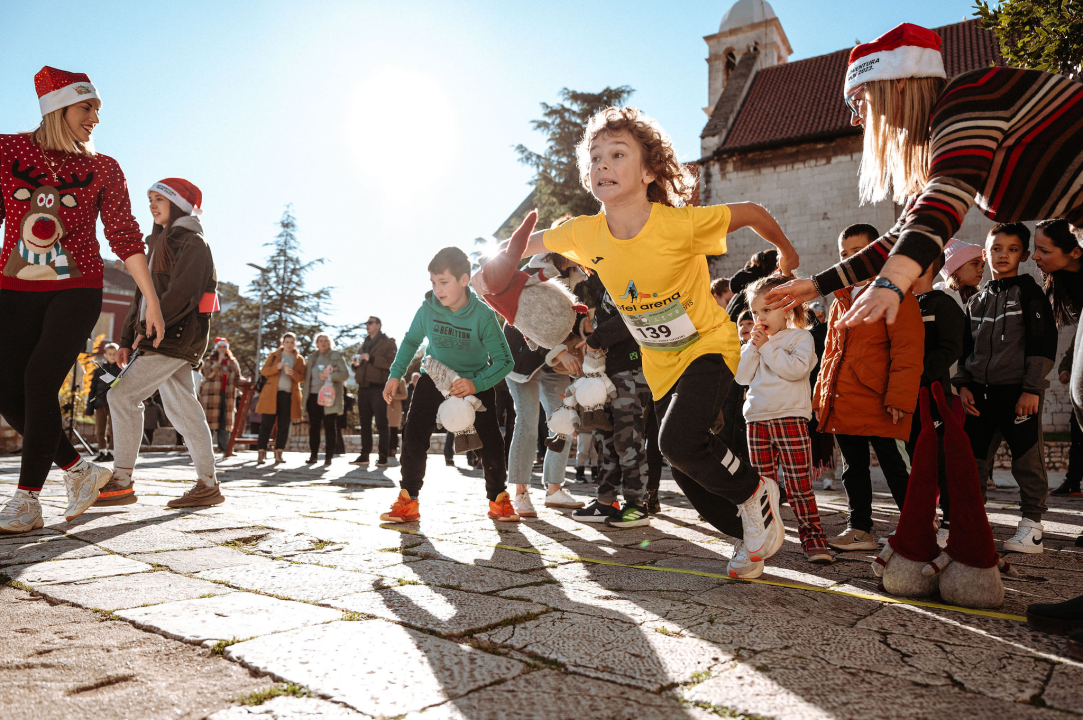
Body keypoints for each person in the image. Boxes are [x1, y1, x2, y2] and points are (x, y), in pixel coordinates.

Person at [515, 106, 798, 574]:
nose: (602, 164)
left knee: (677, 443)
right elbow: (528, 243)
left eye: (617, 154)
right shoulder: (585, 233)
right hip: (660, 363)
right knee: (686, 464)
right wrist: (481, 270)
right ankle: (749, 526)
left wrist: (786, 254)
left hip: (708, 345)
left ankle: (755, 494)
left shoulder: (678, 225)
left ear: (648, 171)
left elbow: (751, 213)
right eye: (595, 156)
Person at [765, 22, 1081, 333]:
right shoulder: (946, 143)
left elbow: (943, 203)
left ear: (896, 86)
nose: (854, 117)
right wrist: (817, 284)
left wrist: (891, 282)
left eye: (858, 101)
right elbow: (900, 236)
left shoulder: (965, 98)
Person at [0, 66, 168, 533]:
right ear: (57, 107)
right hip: (13, 287)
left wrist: (150, 299)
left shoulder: (103, 168)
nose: (95, 118)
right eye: (87, 107)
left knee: (38, 380)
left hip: (77, 288)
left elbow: (124, 235)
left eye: (97, 109)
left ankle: (26, 501)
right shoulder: (5, 150)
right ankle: (80, 470)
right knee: (6, 387)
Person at [101, 178, 223, 508]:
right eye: (150, 199)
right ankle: (208, 485)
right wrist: (128, 337)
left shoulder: (193, 243)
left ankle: (122, 480)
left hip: (175, 337)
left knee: (121, 395)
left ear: (179, 204)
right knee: (183, 411)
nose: (152, 205)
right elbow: (142, 295)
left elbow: (182, 295)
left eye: (159, 199)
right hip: (161, 336)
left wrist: (145, 330)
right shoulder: (158, 245)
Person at [381, 246, 516, 522]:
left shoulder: (483, 315)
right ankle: (408, 499)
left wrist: (476, 384)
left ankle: (498, 499)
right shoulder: (428, 309)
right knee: (414, 433)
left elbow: (505, 361)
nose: (437, 289)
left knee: (491, 441)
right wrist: (396, 373)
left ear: (464, 280)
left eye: (443, 282)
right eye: (433, 282)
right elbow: (410, 341)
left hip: (474, 381)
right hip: (435, 376)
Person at [815, 224, 923, 551]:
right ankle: (859, 528)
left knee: (895, 466)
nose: (850, 262)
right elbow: (830, 354)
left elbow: (907, 348)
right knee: (853, 468)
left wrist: (900, 397)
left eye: (857, 255)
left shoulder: (896, 295)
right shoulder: (839, 302)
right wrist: (822, 397)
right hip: (846, 400)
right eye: (844, 256)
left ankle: (917, 528)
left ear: (879, 256)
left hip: (880, 400)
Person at [954, 223, 1058, 554]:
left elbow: (1043, 343)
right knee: (973, 464)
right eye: (996, 248)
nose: (1003, 255)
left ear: (1024, 255)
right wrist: (963, 385)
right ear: (986, 253)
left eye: (1012, 249)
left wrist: (1031, 389)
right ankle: (970, 524)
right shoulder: (977, 300)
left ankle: (1032, 528)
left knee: (1027, 461)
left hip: (1019, 397)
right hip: (979, 398)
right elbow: (966, 348)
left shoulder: (1031, 293)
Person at [736, 277, 832, 569]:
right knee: (762, 485)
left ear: (788, 309)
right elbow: (741, 377)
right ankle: (763, 537)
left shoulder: (799, 338)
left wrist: (766, 348)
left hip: (790, 417)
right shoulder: (753, 344)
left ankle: (812, 537)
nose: (759, 318)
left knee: (798, 483)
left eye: (766, 310)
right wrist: (753, 348)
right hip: (757, 420)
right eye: (755, 313)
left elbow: (796, 370)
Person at [573, 290, 653, 526]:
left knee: (628, 440)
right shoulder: (608, 280)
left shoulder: (631, 275)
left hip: (631, 371)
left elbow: (634, 316)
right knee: (604, 439)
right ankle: (606, 502)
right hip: (607, 374)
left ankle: (636, 505)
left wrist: (595, 339)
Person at [907, 249, 965, 542]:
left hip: (932, 395)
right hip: (905, 400)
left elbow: (952, 347)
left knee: (941, 459)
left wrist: (920, 374)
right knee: (914, 461)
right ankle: (920, 521)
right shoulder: (902, 305)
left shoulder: (942, 304)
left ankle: (951, 522)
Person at [503, 319, 584, 518]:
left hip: (555, 363)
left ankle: (554, 490)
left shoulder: (569, 289)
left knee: (563, 421)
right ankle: (520, 493)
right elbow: (525, 320)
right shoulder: (525, 288)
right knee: (527, 421)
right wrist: (561, 352)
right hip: (521, 354)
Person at [1032, 219, 1083, 500]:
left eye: (1044, 250)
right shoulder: (1064, 280)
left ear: (1075, 251)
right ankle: (1073, 480)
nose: (1034, 256)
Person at [350, 316, 397, 467]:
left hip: (379, 387)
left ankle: (383, 455)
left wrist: (371, 358)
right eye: (366, 323)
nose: (367, 326)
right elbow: (358, 365)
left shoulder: (388, 342)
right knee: (364, 423)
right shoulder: (365, 342)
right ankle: (364, 455)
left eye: (370, 323)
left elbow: (391, 362)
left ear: (378, 325)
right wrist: (355, 364)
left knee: (381, 422)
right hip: (363, 387)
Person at [256, 332, 306, 465]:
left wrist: (293, 374)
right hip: (271, 394)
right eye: (287, 342)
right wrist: (276, 367)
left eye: (292, 342)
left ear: (295, 343)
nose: (289, 345)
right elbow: (264, 371)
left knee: (284, 425)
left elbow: (302, 378)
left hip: (289, 395)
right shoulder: (274, 355)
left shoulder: (299, 359)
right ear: (282, 343)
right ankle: (261, 453)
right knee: (266, 424)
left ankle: (279, 453)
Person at [303, 332, 348, 466]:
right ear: (316, 344)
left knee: (329, 426)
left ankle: (328, 457)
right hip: (313, 395)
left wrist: (330, 375)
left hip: (330, 396)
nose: (323, 343)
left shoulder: (336, 356)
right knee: (314, 427)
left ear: (329, 343)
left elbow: (344, 374)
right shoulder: (312, 358)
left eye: (326, 340)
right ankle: (313, 455)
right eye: (320, 340)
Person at [200, 338, 244, 452]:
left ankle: (225, 448)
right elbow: (207, 374)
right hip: (211, 396)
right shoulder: (209, 360)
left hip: (228, 396)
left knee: (225, 422)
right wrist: (218, 363)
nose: (222, 349)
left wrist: (244, 381)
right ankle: (205, 450)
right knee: (209, 422)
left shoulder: (233, 362)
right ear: (216, 348)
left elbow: (238, 377)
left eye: (224, 347)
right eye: (220, 347)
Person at [88, 342, 120, 461]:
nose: (112, 356)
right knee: (100, 430)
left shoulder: (121, 369)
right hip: (100, 404)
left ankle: (111, 453)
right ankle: (102, 451)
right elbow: (92, 389)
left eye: (114, 354)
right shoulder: (99, 370)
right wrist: (89, 408)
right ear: (105, 355)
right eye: (109, 354)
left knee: (113, 430)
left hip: (114, 405)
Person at [936, 239, 985, 309]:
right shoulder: (938, 295)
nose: (981, 270)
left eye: (982, 265)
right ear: (955, 268)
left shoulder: (981, 298)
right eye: (975, 263)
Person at [386, 375, 409, 457]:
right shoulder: (383, 378)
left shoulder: (401, 380)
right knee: (384, 429)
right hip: (384, 407)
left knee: (393, 429)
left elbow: (404, 395)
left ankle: (393, 449)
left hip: (394, 408)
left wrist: (391, 396)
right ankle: (385, 449)